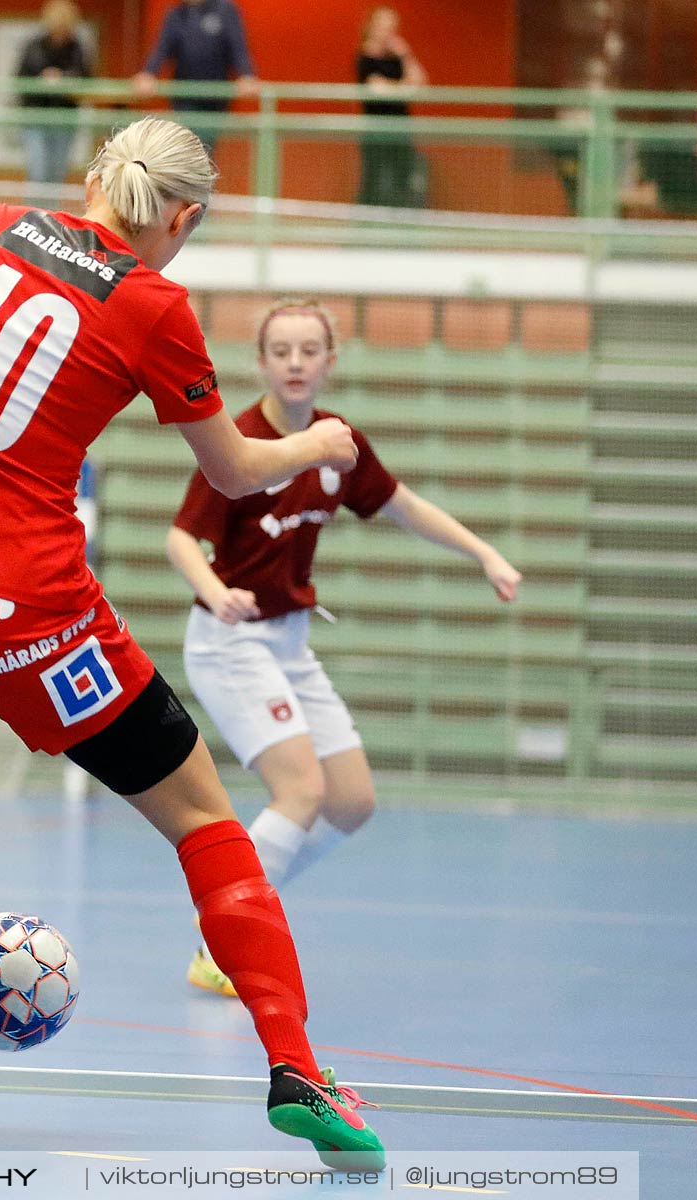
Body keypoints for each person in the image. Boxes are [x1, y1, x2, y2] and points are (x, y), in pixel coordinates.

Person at [0, 117, 385, 1168]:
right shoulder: (153, 304)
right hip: (38, 616)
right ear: (182, 217)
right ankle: (295, 1069)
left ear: (93, 175)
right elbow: (236, 470)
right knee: (205, 823)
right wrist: (319, 443)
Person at [166, 299, 521, 997]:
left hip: (290, 641)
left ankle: (244, 899)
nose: (296, 363)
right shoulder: (238, 439)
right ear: (261, 363)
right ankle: (224, 941)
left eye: (309, 350)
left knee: (351, 802)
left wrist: (485, 554)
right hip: (229, 641)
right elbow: (180, 539)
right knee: (300, 791)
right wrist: (214, 589)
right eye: (282, 351)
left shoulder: (337, 440)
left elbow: (403, 505)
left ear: (330, 361)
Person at [133, 0, 259, 154]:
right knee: (187, 147)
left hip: (216, 98)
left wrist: (247, 75)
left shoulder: (226, 10)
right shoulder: (176, 14)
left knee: (205, 148)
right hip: (184, 98)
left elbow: (239, 48)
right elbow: (161, 49)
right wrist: (148, 73)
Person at [14, 0, 93, 197]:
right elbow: (21, 78)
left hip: (65, 118)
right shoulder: (34, 46)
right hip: (35, 117)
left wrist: (63, 79)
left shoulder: (77, 48)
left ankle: (50, 217)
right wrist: (43, 80)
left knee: (56, 173)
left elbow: (86, 77)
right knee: (38, 171)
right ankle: (34, 216)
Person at [354, 6, 427, 207]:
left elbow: (420, 81)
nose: (386, 31)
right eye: (382, 26)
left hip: (401, 129)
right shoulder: (364, 58)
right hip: (375, 130)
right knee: (374, 181)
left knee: (404, 179)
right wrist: (404, 87)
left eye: (391, 27)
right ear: (371, 26)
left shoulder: (397, 58)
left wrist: (405, 54)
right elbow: (378, 88)